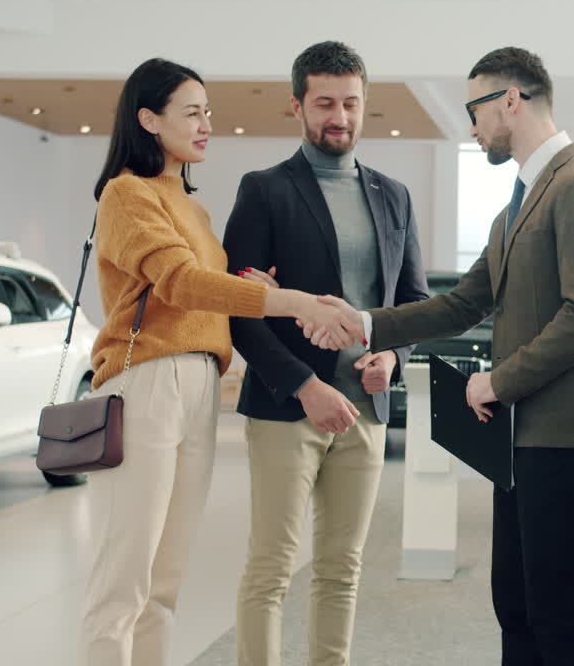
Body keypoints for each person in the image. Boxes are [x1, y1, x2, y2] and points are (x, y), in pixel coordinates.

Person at [308, 46, 574, 666]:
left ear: (513, 100)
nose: (470, 127)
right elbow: (462, 304)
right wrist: (363, 322)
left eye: (474, 109)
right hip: (523, 435)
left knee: (558, 613)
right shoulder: (518, 204)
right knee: (516, 603)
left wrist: (497, 383)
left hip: (566, 431)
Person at [80, 57, 362, 666]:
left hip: (203, 381)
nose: (207, 124)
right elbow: (182, 284)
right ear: (148, 119)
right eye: (192, 112)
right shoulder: (127, 194)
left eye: (209, 111)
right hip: (148, 381)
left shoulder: (195, 210)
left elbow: (218, 288)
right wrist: (289, 300)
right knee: (123, 580)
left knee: (165, 582)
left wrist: (256, 285)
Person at [224, 41, 430, 666]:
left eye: (350, 103)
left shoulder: (394, 195)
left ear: (366, 105)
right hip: (290, 407)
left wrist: (390, 357)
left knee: (343, 568)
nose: (338, 116)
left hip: (365, 409)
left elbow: (413, 302)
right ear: (297, 106)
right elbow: (239, 309)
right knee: (272, 568)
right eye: (324, 104)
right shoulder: (263, 190)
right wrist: (306, 386)